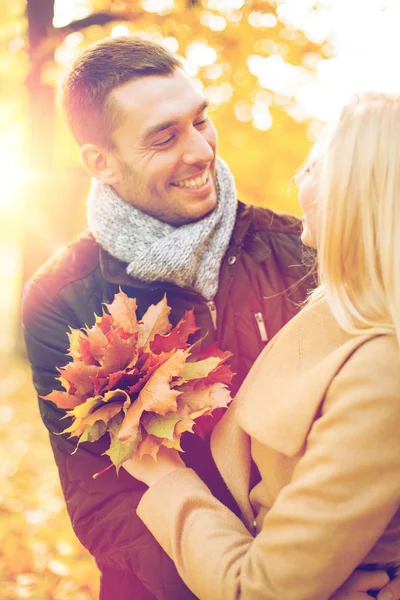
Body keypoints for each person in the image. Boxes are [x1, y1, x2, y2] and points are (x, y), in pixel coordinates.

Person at [21, 36, 396, 600]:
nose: (200, 151)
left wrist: (305, 574)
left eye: (200, 120)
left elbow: (367, 456)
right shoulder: (64, 296)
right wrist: (246, 585)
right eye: (164, 137)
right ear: (103, 163)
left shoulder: (302, 251)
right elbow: (102, 495)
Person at [122, 92, 400, 600]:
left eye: (313, 167)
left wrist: (166, 478)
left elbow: (259, 589)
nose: (298, 181)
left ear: (356, 189)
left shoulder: (383, 365)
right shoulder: (334, 307)